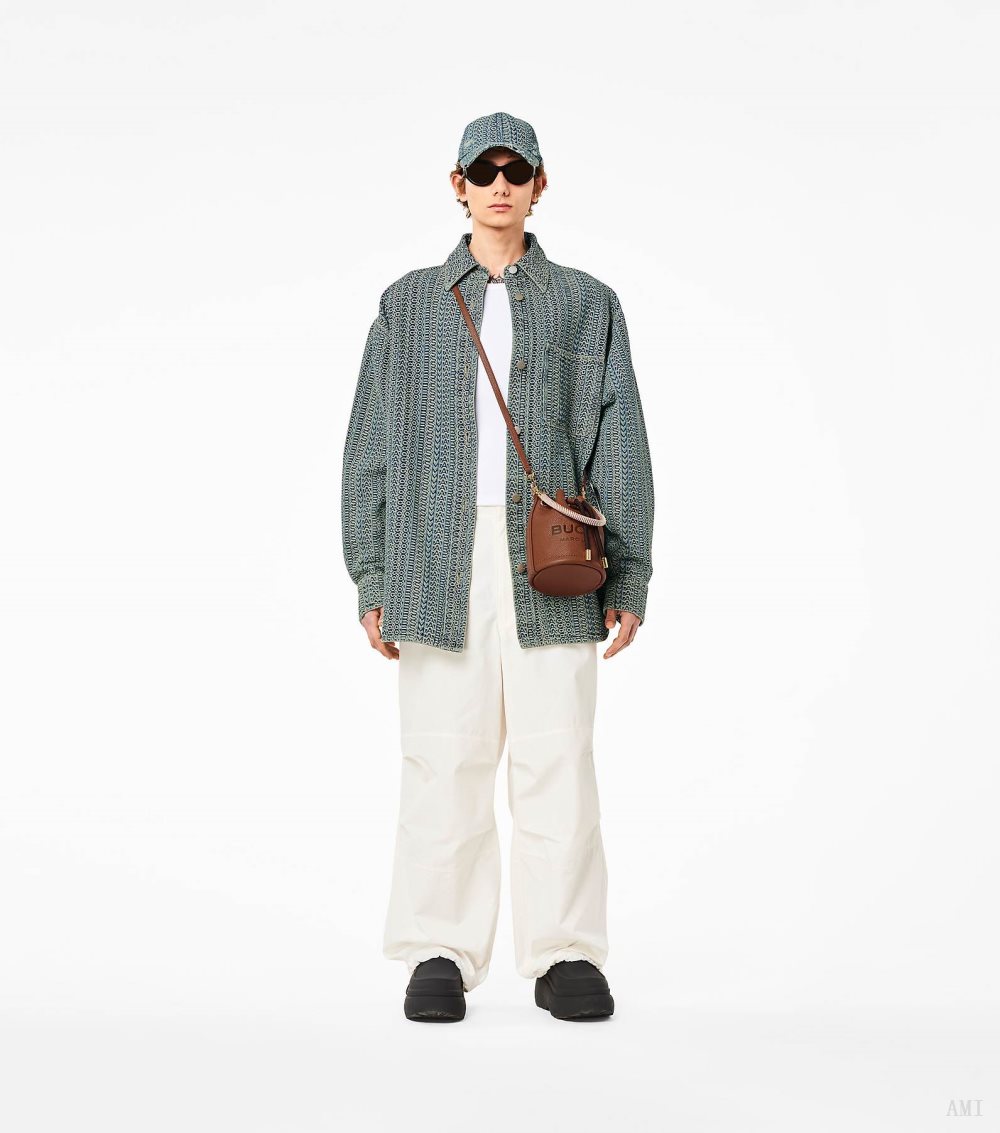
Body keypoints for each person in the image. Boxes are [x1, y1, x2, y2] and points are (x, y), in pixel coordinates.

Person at [341, 111, 654, 1022]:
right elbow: (370, 446)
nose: (502, 184)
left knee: (559, 756)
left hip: (554, 560)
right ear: (459, 185)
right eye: (485, 170)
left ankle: (565, 952)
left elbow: (620, 440)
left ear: (540, 185)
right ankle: (438, 946)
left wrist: (629, 573)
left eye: (518, 170)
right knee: (443, 757)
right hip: (433, 556)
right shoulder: (409, 303)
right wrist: (372, 574)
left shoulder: (588, 302)